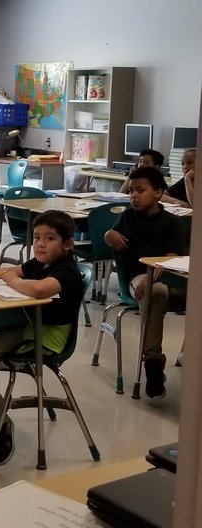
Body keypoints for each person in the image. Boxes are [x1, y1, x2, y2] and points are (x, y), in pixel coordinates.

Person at [0, 211, 85, 427]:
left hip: (45, 339)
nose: (40, 244)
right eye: (37, 237)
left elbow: (39, 289)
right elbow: (15, 270)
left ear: (68, 244)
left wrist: (11, 279)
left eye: (49, 238)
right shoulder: (41, 263)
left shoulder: (67, 271)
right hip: (30, 327)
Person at [104, 165, 185, 398]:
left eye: (140, 190)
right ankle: (152, 361)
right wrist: (108, 234)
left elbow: (170, 260)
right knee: (156, 292)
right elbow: (111, 235)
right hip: (137, 278)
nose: (133, 195)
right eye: (131, 191)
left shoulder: (172, 222)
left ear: (158, 193)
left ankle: (189, 354)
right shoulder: (127, 217)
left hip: (168, 275)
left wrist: (152, 277)